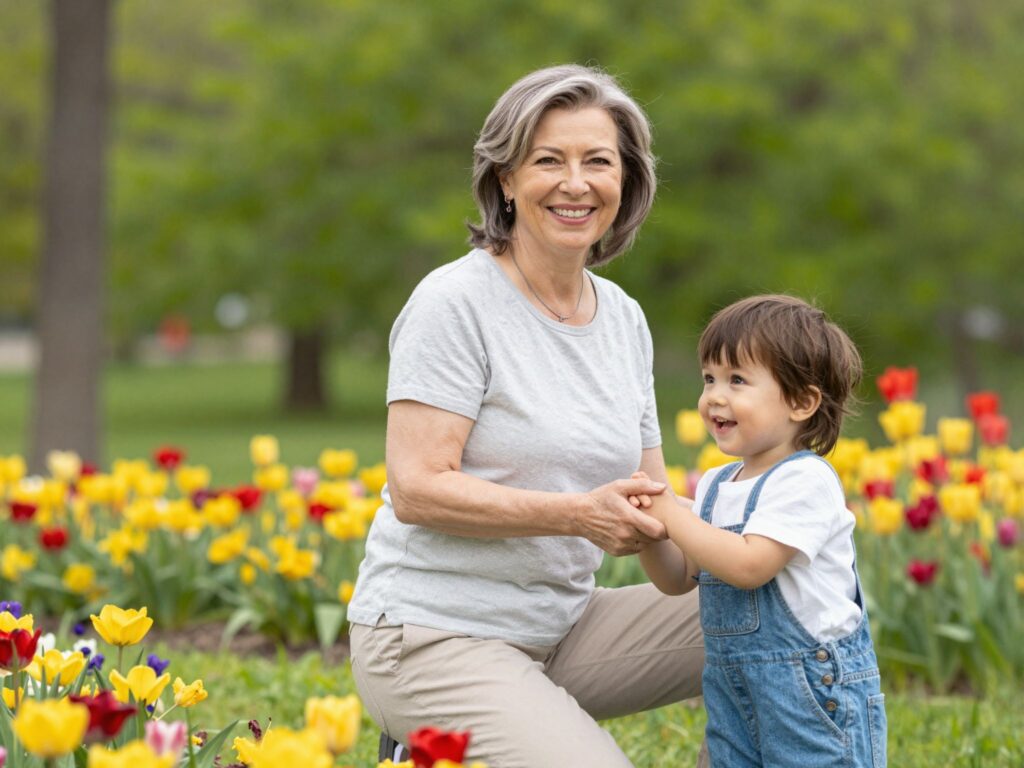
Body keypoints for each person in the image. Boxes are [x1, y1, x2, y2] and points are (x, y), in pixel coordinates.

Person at [346, 64, 707, 767]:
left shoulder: (624, 319)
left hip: (562, 631)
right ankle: (429, 742)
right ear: (506, 179)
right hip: (431, 637)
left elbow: (655, 509)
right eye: (549, 160)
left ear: (625, 181)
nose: (576, 183)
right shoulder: (455, 303)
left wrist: (760, 534)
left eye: (598, 161)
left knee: (794, 614)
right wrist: (576, 514)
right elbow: (416, 489)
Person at [635, 294, 888, 767]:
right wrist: (650, 530)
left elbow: (751, 565)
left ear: (801, 402)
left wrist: (674, 515)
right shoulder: (714, 483)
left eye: (737, 380)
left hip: (811, 698)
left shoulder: (805, 479)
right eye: (709, 378)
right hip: (733, 691)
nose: (715, 396)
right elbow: (677, 579)